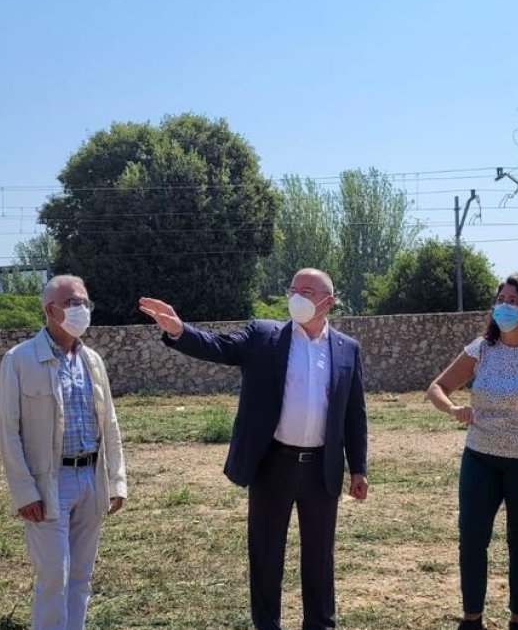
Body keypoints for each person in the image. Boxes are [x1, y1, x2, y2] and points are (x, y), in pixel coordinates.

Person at [139, 268, 368, 630]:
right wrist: (179, 330)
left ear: (329, 302)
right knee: (265, 554)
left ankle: (320, 624)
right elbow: (218, 347)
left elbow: (354, 413)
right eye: (293, 288)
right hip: (273, 464)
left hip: (321, 470)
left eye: (306, 291)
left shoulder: (346, 349)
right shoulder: (264, 336)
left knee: (320, 558)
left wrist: (358, 468)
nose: (296, 296)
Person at [427, 275, 518, 630]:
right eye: (500, 298)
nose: (504, 306)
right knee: (472, 538)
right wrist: (452, 409)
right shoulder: (481, 348)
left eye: (513, 300)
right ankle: (471, 619)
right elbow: (438, 387)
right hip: (480, 458)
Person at [0, 275, 128, 630]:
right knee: (55, 576)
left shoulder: (93, 362)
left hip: (90, 478)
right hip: (49, 482)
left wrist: (117, 481)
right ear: (50, 310)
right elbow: (8, 432)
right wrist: (24, 492)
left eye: (85, 303)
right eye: (73, 304)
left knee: (81, 577)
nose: (82, 310)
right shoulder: (20, 361)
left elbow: (109, 424)